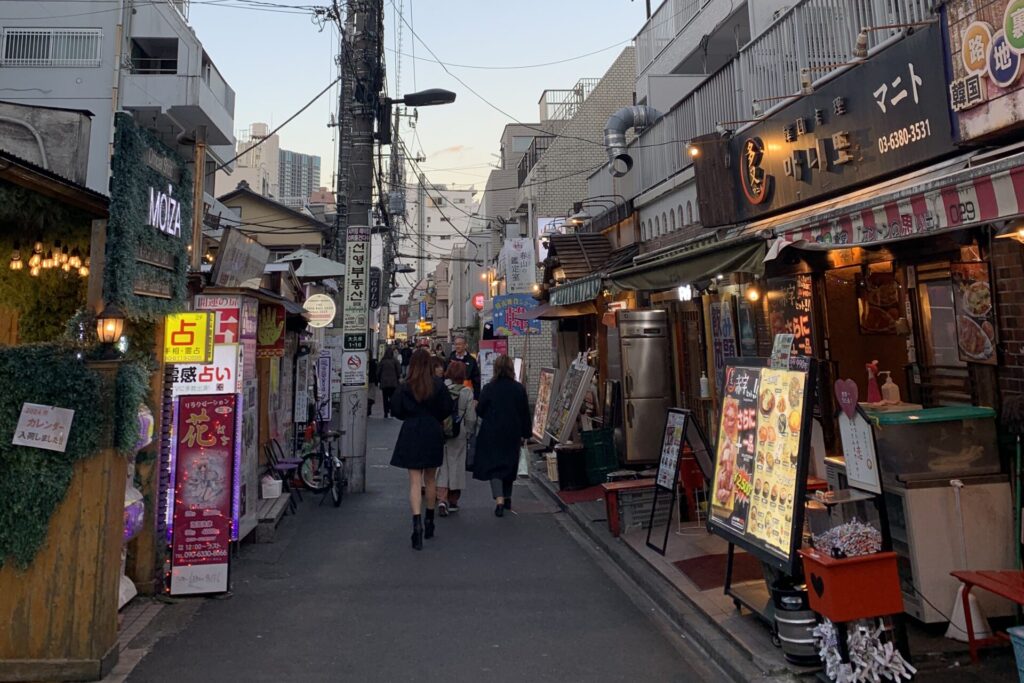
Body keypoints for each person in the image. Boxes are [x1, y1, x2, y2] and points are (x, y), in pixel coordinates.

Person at [390, 348, 453, 550]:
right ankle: (430, 521)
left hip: (411, 431)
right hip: (432, 430)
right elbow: (447, 409)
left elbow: (396, 410)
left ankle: (416, 523)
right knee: (431, 478)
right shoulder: (438, 385)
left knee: (415, 481)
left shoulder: (405, 386)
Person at [472, 354, 531, 517]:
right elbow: (525, 413)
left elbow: (480, 410)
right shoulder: (519, 389)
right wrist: (526, 433)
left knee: (495, 466)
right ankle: (507, 497)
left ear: (496, 369)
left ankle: (499, 500)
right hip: (512, 432)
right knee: (509, 464)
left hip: (492, 431)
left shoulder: (489, 388)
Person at [438, 362, 475, 516]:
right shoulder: (467, 392)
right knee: (457, 465)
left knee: (442, 465)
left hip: (442, 431)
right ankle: (453, 501)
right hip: (458, 432)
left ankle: (441, 498)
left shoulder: (442, 389)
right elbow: (471, 417)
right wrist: (468, 432)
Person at [377, 347, 402, 418]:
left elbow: (378, 372)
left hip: (384, 383)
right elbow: (399, 370)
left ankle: (385, 412)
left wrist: (379, 380)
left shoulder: (382, 361)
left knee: (384, 398)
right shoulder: (395, 361)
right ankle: (391, 411)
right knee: (392, 398)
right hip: (393, 383)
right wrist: (397, 378)